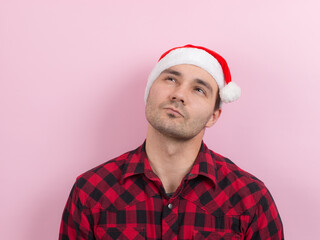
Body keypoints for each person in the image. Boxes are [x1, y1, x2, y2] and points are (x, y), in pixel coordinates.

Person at [59, 44, 284, 240]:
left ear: (214, 116)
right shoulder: (91, 191)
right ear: (149, 93)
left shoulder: (250, 198)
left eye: (198, 89)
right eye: (171, 79)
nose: (178, 94)